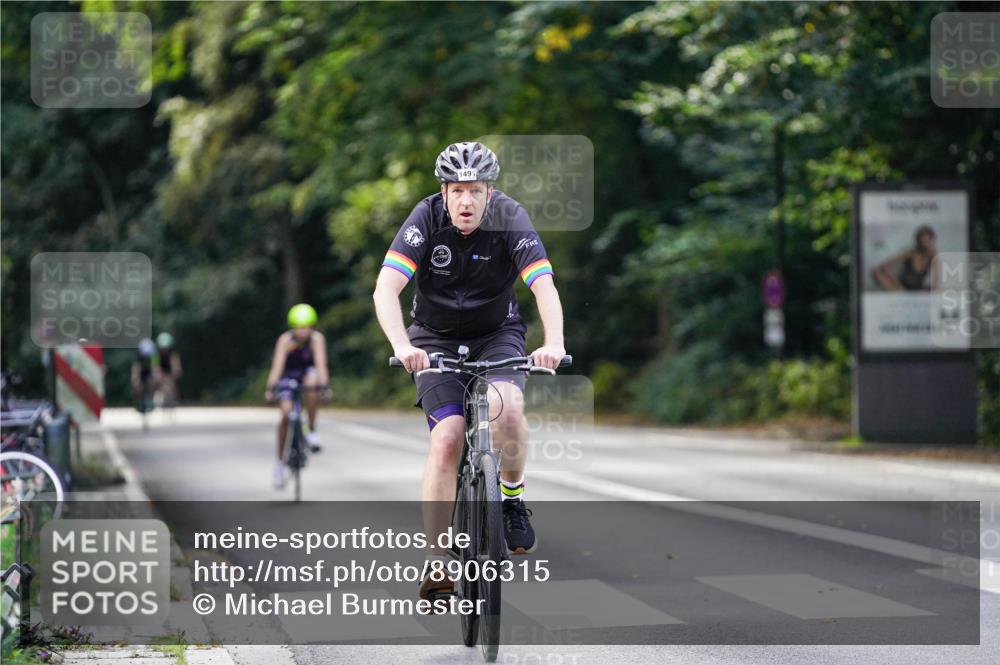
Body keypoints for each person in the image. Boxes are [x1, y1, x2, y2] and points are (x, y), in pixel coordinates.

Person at [373, 141, 566, 600]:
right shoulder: (424, 219)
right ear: (443, 192)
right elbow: (386, 289)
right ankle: (437, 562)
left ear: (489, 191)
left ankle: (513, 500)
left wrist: (553, 342)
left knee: (510, 413)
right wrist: (403, 346)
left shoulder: (510, 217)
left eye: (474, 191)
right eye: (456, 190)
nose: (465, 201)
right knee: (447, 438)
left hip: (496, 334)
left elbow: (544, 286)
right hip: (433, 339)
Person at [264, 304, 329, 489]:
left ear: (313, 326)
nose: (303, 331)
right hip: (288, 376)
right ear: (292, 327)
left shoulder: (317, 340)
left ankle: (311, 430)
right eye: (299, 327)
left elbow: (321, 365)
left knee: (312, 381)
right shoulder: (285, 340)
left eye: (307, 326)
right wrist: (270, 388)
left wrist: (324, 387)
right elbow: (277, 366)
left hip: (307, 375)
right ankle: (279, 464)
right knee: (285, 414)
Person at [871, 225, 940, 292]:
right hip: (902, 287)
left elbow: (937, 277)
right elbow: (890, 261)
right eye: (923, 240)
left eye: (927, 240)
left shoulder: (933, 255)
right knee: (876, 272)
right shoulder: (911, 253)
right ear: (918, 240)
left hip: (918, 288)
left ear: (931, 240)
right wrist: (890, 277)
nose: (925, 243)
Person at [131, 338, 160, 413]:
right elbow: (136, 368)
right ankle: (138, 402)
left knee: (152, 383)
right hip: (141, 371)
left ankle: (150, 400)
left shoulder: (154, 355)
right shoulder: (138, 356)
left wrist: (156, 377)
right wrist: (135, 379)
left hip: (150, 371)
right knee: (137, 385)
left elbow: (155, 367)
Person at [154, 332, 183, 408]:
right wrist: (159, 376)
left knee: (171, 385)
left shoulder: (173, 355)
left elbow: (176, 367)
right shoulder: (155, 355)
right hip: (161, 375)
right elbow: (155, 367)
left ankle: (173, 398)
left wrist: (175, 374)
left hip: (170, 375)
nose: (164, 349)